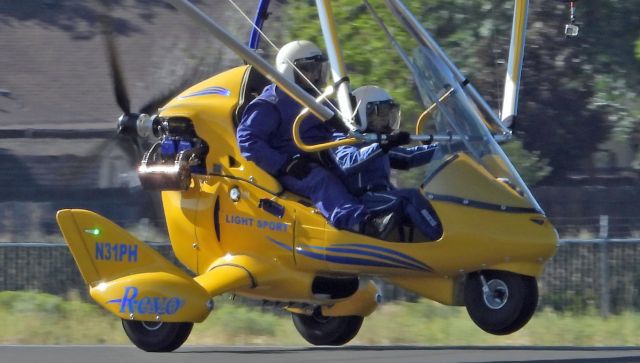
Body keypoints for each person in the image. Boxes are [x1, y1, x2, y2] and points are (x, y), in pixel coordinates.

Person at [237, 40, 397, 235]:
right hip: (293, 166)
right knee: (321, 180)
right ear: (290, 70)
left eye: (318, 69)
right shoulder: (271, 103)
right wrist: (284, 164)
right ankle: (360, 223)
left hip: (320, 155)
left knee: (359, 163)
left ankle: (386, 207)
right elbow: (248, 141)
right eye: (308, 69)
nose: (315, 75)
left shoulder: (319, 100)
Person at [330, 85, 442, 240]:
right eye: (381, 112)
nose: (386, 118)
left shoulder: (376, 140)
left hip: (381, 195)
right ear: (364, 112)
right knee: (409, 197)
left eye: (389, 112)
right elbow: (348, 162)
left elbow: (408, 157)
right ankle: (441, 240)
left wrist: (446, 148)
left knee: (432, 198)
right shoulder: (344, 136)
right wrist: (383, 145)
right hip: (362, 199)